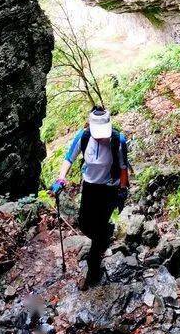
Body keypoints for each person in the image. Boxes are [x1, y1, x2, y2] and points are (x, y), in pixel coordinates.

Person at [51, 107, 129, 287]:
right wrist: (61, 179)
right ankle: (104, 236)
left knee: (98, 229)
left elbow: (123, 167)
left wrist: (122, 189)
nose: (102, 137)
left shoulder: (118, 140)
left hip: (109, 188)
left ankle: (93, 272)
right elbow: (69, 158)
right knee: (84, 224)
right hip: (89, 186)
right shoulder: (84, 137)